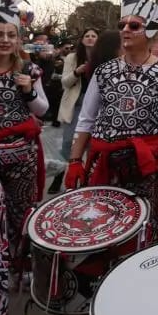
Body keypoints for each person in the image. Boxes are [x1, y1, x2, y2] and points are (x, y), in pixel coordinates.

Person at [66, 0, 158, 235]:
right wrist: (75, 160)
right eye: (122, 25)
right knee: (97, 229)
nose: (125, 30)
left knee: (140, 232)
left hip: (145, 168)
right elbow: (86, 119)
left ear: (150, 31)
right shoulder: (103, 71)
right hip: (103, 164)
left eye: (133, 26)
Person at [0, 0, 48, 315]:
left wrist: (29, 91)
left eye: (10, 35)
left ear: (19, 38)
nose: (4, 40)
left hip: (21, 156)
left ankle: (21, 267)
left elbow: (43, 109)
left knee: (20, 213)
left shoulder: (28, 70)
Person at [50, 28, 99, 194]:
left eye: (93, 36)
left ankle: (87, 179)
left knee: (92, 145)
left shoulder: (103, 57)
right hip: (76, 104)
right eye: (87, 36)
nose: (90, 38)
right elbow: (65, 83)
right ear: (82, 39)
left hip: (96, 105)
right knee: (68, 143)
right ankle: (59, 176)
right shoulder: (72, 57)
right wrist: (77, 72)